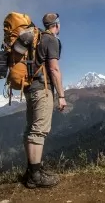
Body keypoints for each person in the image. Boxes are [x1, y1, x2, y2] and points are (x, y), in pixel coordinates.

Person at [22, 12, 67, 189]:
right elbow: (54, 69)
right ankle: (35, 176)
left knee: (31, 129)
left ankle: (33, 169)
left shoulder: (36, 38)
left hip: (29, 89)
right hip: (43, 89)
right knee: (39, 131)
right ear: (56, 24)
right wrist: (61, 96)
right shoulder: (51, 40)